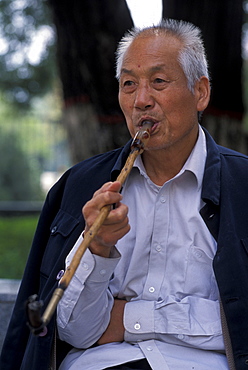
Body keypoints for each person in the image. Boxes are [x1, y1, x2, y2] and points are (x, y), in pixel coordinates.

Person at [1, 18, 248, 370]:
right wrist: (97, 247)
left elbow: (239, 325)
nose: (141, 101)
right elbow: (74, 331)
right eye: (129, 84)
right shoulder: (81, 186)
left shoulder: (242, 186)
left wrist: (125, 319)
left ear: (201, 93)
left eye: (159, 82)